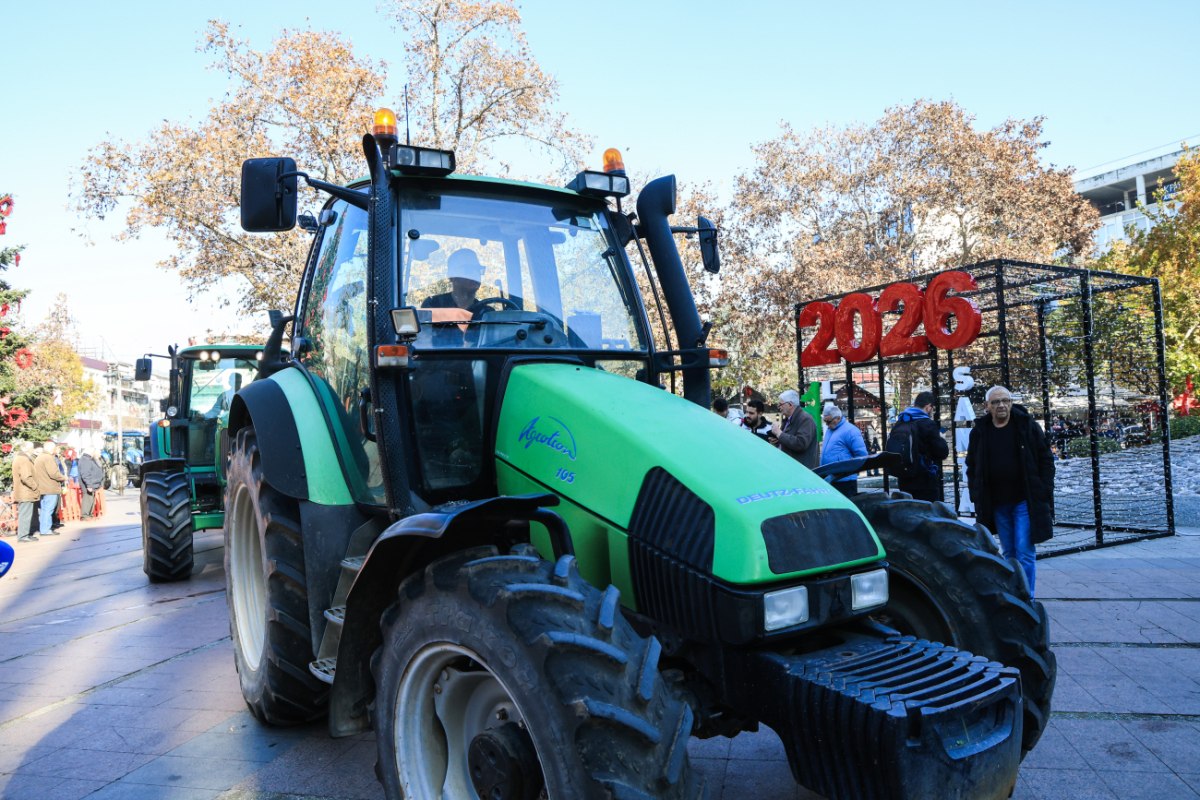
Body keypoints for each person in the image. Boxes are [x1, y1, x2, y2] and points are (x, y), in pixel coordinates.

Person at [966, 385, 1055, 597]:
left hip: (1024, 499)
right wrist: (976, 493)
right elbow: (973, 465)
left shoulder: (1026, 426)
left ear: (1011, 403)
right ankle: (1015, 594)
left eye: (1005, 400)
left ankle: (1027, 597)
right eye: (996, 402)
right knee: (1009, 552)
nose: (1001, 405)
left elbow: (1045, 458)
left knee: (1024, 550)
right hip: (998, 502)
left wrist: (1043, 488)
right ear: (987, 406)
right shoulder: (980, 432)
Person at [888, 391, 950, 502]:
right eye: (932, 408)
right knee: (928, 510)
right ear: (928, 407)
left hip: (904, 478)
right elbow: (942, 452)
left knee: (910, 509)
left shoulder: (901, 422)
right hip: (925, 480)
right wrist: (941, 439)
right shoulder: (927, 424)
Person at [819, 403, 869, 496]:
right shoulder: (830, 430)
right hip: (831, 479)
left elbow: (862, 455)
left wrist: (846, 470)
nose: (827, 425)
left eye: (828, 421)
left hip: (845, 481)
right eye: (825, 421)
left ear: (838, 418)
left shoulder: (851, 431)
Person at [771, 390, 818, 469]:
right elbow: (789, 439)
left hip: (801, 470)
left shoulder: (806, 419)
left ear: (790, 404)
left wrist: (779, 434)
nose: (779, 407)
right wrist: (778, 440)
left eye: (781, 404)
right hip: (791, 468)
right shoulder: (788, 419)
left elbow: (801, 443)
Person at [33, 442, 66, 536]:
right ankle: (46, 530)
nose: (56, 449)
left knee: (44, 510)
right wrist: (64, 477)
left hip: (42, 487)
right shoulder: (48, 457)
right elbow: (53, 473)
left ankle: (44, 529)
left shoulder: (39, 457)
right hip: (50, 488)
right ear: (51, 448)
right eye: (55, 448)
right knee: (48, 509)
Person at [13, 442, 40, 542]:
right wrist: (35, 486)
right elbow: (26, 477)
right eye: (31, 447)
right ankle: (23, 536)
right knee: (25, 515)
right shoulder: (23, 460)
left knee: (27, 514)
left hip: (25, 491)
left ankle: (26, 534)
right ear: (25, 448)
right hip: (26, 492)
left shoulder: (20, 458)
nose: (33, 449)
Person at [79, 449, 105, 519]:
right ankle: (85, 516)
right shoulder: (86, 460)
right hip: (89, 484)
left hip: (92, 483)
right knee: (88, 499)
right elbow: (85, 474)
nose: (100, 454)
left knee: (91, 499)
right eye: (98, 453)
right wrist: (89, 485)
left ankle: (89, 515)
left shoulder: (90, 459)